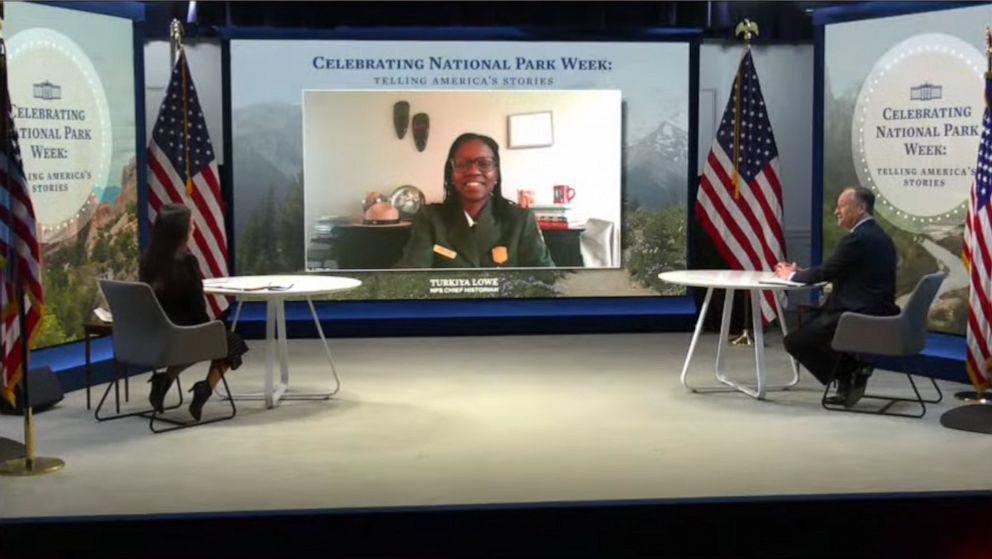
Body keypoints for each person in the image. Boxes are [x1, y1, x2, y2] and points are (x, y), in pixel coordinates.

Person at [774, 186, 899, 408]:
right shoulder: (875, 235)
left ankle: (851, 371)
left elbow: (825, 272)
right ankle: (850, 374)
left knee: (795, 342)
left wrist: (791, 275)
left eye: (842, 206)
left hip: (857, 313)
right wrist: (802, 273)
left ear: (860, 208)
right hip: (873, 308)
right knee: (812, 331)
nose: (836, 211)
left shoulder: (858, 239)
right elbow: (836, 270)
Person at [139, 204, 249, 421]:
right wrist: (211, 329)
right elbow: (197, 307)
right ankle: (205, 388)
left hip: (154, 338)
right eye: (191, 223)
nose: (195, 227)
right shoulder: (187, 262)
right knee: (232, 342)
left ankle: (163, 382)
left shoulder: (147, 262)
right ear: (181, 231)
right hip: (181, 335)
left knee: (204, 341)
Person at [394, 132, 555, 268]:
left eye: (484, 163)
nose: (472, 171)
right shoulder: (430, 218)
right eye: (462, 164)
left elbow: (546, 281)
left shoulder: (521, 220)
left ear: (497, 174)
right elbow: (411, 278)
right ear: (451, 174)